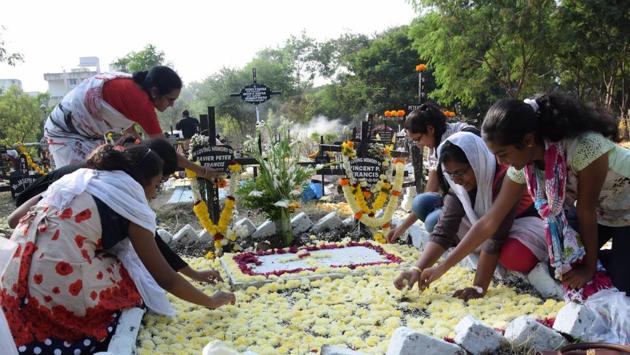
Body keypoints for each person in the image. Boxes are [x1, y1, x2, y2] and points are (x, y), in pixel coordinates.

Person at [0, 144, 235, 354]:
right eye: (155, 185)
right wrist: (210, 301)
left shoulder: (76, 180)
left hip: (12, 287)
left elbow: (13, 220)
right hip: (56, 294)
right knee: (128, 278)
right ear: (139, 181)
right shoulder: (127, 196)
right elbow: (165, 278)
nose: (154, 194)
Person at [419, 93, 630, 299]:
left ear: (528, 140)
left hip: (622, 213)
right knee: (558, 265)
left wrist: (589, 268)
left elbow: (586, 211)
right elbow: (490, 221)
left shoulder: (585, 147)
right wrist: (441, 268)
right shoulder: (522, 165)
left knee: (621, 285)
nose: (501, 163)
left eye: (503, 154)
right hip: (602, 214)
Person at [10, 137, 222, 284]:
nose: (157, 193)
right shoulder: (98, 183)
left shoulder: (110, 172)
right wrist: (194, 277)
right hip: (47, 266)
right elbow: (154, 251)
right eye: (158, 183)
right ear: (144, 175)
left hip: (20, 264)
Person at [393, 132, 548, 300]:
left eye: (460, 172)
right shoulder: (457, 185)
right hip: (486, 227)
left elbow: (495, 235)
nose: (456, 180)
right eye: (451, 174)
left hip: (521, 223)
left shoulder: (506, 175)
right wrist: (416, 269)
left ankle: (483, 253)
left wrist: (479, 286)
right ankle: (479, 253)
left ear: (476, 162)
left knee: (513, 255)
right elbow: (444, 229)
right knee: (438, 222)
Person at [43, 66, 216, 179]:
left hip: (87, 134)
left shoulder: (137, 88)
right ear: (155, 91)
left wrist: (135, 140)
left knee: (105, 179)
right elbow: (166, 151)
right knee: (83, 184)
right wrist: (202, 171)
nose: (172, 105)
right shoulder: (141, 102)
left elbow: (128, 125)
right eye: (170, 99)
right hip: (65, 134)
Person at [389, 104, 478, 240]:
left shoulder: (457, 140)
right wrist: (401, 228)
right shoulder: (435, 147)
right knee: (420, 202)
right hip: (457, 196)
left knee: (433, 222)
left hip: (475, 198)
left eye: (418, 139)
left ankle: (463, 236)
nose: (419, 145)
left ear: (430, 129)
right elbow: (431, 189)